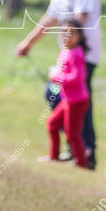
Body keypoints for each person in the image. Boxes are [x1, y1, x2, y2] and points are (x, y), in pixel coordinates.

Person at [16, 0, 101, 168]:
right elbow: (51, 18)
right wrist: (28, 42)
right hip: (70, 54)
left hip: (84, 54)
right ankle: (76, 149)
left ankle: (84, 151)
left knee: (73, 100)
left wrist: (71, 52)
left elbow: (80, 19)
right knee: (64, 99)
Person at [39, 19, 90, 169]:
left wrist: (55, 76)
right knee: (53, 124)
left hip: (77, 101)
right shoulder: (65, 52)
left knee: (72, 134)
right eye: (63, 32)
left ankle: (82, 165)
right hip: (67, 100)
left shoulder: (76, 53)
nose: (67, 36)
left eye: (72, 33)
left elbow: (77, 77)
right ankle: (54, 156)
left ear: (79, 36)